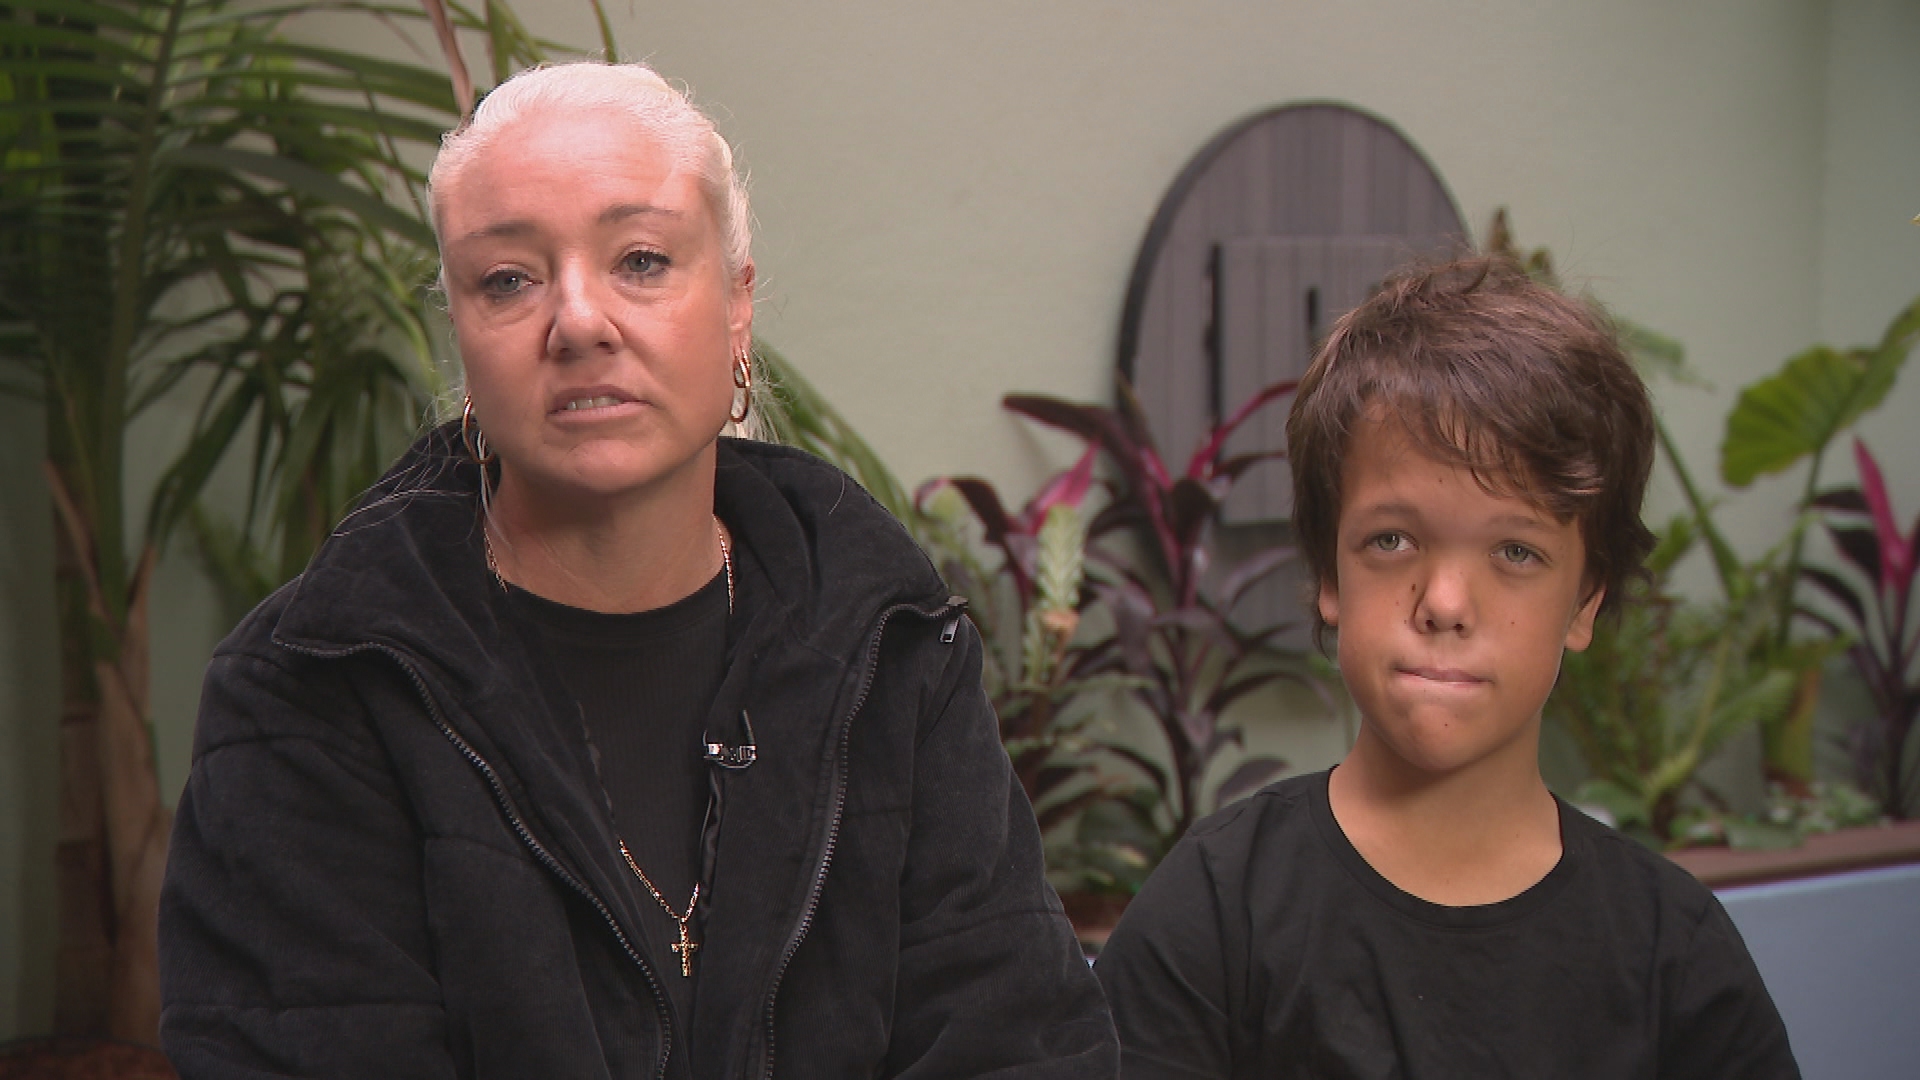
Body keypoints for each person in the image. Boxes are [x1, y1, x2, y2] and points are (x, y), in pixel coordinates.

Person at [158, 61, 1117, 1079]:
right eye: (508, 280)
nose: (579, 320)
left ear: (737, 309)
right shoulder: (312, 689)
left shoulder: (895, 651)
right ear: (465, 345)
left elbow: (1018, 1044)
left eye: (643, 260)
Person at [1093, 256, 1800, 1078]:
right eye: (1392, 540)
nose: (1446, 601)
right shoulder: (1216, 910)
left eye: (1516, 551)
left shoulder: (1671, 950)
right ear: (1329, 573)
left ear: (1585, 604)